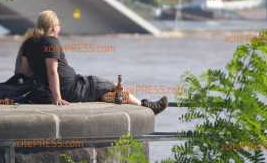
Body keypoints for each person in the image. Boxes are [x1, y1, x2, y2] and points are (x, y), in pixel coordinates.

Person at [14, 10, 168, 115]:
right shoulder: (51, 41)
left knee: (108, 94)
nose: (60, 27)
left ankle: (144, 104)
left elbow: (23, 72)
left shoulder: (29, 43)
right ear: (53, 27)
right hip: (73, 88)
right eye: (59, 24)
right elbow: (52, 71)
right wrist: (57, 98)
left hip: (61, 88)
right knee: (110, 85)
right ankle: (146, 106)